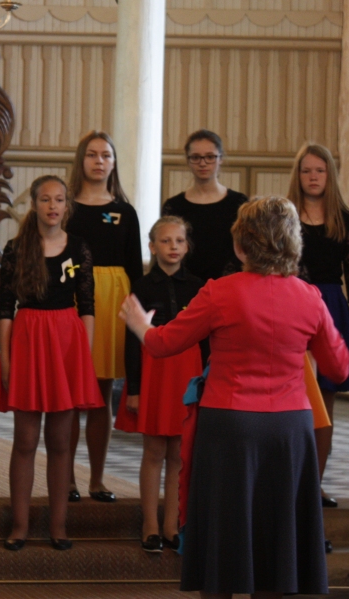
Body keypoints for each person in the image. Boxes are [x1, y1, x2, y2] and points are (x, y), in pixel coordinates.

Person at [121, 196, 349, 598]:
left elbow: (163, 344)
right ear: (293, 243)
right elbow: (339, 369)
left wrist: (140, 324)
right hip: (290, 429)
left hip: (229, 425)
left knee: (224, 532)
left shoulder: (220, 292)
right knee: (277, 539)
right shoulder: (309, 296)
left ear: (241, 245)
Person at [0, 175, 103, 552]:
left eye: (59, 200)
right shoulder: (17, 249)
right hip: (29, 338)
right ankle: (20, 525)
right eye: (45, 199)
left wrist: (85, 355)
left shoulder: (79, 248)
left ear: (67, 206)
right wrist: (5, 355)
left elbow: (87, 306)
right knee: (26, 440)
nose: (53, 205)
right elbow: (5, 306)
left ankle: (58, 525)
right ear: (33, 204)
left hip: (66, 343)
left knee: (61, 442)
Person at [113, 216, 206, 553]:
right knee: (154, 450)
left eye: (179, 241)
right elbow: (130, 341)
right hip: (153, 372)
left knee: (179, 454)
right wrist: (134, 388)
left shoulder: (198, 287)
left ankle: (173, 523)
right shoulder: (141, 286)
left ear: (187, 246)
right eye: (165, 241)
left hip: (186, 371)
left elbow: (206, 339)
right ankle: (150, 523)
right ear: (152, 247)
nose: (173, 247)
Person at [287, 143, 349, 508]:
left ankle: (314, 484)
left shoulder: (344, 218)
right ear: (298, 175)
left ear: (329, 174)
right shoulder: (287, 215)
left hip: (332, 309)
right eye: (307, 171)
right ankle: (289, 483)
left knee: (325, 401)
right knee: (293, 397)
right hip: (293, 303)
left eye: (319, 170)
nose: (313, 177)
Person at [64, 131, 143, 504]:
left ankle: (96, 479)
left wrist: (139, 314)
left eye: (106, 155)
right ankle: (65, 477)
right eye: (92, 155)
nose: (99, 161)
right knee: (67, 395)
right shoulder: (64, 207)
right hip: (72, 297)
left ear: (113, 163)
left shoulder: (125, 212)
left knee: (100, 394)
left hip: (114, 300)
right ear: (81, 160)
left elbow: (135, 268)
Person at [162, 130, 248, 282]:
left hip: (229, 286)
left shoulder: (239, 203)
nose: (202, 163)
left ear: (220, 158)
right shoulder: (174, 206)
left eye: (209, 157)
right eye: (196, 157)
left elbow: (248, 250)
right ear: (188, 160)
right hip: (185, 287)